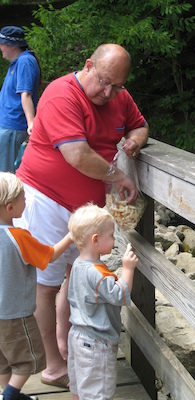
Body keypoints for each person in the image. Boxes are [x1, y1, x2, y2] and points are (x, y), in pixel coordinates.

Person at [14, 43, 149, 388]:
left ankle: (66, 345)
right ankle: (54, 365)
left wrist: (133, 141)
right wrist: (118, 176)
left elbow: (140, 125)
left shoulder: (119, 95)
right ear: (88, 66)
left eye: (117, 85)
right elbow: (77, 155)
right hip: (45, 200)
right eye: (104, 82)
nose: (109, 92)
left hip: (86, 210)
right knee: (45, 284)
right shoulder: (62, 94)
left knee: (77, 279)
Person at [0, 172, 73, 400]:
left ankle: (6, 393)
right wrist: (71, 236)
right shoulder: (19, 236)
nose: (27, 201)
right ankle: (11, 396)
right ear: (10, 207)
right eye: (23, 198)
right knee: (27, 361)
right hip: (15, 316)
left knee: (2, 362)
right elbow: (50, 256)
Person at [67, 203, 138, 400]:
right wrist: (128, 269)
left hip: (76, 335)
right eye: (112, 235)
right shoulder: (97, 273)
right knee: (98, 392)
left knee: (80, 387)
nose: (115, 240)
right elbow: (118, 295)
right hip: (96, 342)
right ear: (96, 240)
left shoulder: (77, 265)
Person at [0, 26, 41, 172]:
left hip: (12, 127)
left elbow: (26, 94)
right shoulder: (18, 62)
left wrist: (31, 123)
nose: (0, 47)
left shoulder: (25, 62)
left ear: (11, 46)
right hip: (7, 126)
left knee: (4, 176)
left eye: (1, 43)